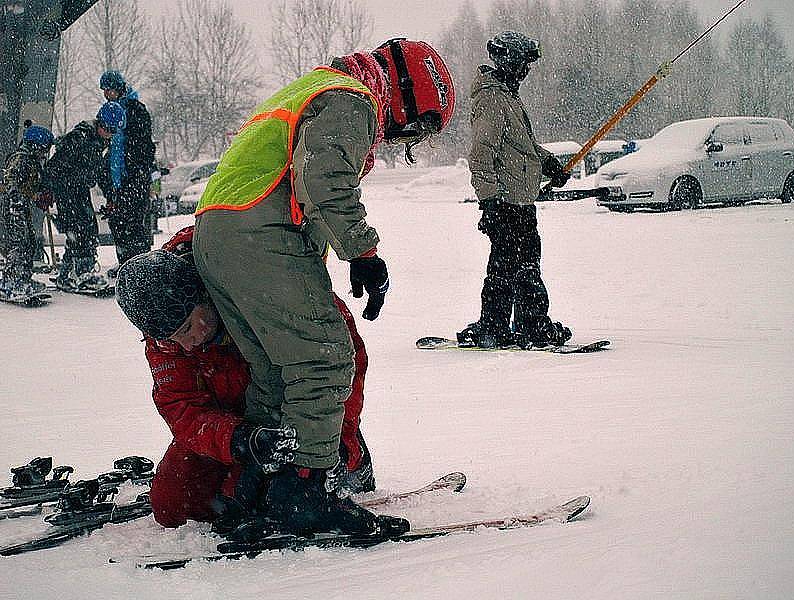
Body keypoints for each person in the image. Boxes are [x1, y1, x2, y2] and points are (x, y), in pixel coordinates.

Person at [192, 39, 454, 535]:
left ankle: (259, 484)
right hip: (258, 234)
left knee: (274, 367)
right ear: (407, 92)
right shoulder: (352, 98)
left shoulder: (312, 88)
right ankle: (304, 489)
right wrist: (363, 252)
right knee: (324, 356)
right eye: (413, 126)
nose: (400, 138)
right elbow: (325, 179)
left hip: (217, 234)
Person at [115, 226, 380, 530]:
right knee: (172, 504)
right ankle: (247, 489)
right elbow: (182, 408)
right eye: (173, 340)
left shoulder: (255, 281)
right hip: (236, 425)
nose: (186, 346)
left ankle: (348, 458)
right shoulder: (163, 333)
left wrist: (340, 434)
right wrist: (240, 440)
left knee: (292, 496)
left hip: (293, 410)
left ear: (205, 296)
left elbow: (338, 364)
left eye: (188, 329)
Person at [456, 31, 573, 349]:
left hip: (520, 199)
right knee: (511, 266)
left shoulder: (507, 94)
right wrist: (489, 201)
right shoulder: (492, 97)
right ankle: (506, 327)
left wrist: (549, 163)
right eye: (523, 63)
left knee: (523, 264)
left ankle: (521, 324)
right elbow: (482, 151)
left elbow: (520, 145)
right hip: (505, 201)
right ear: (508, 60)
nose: (526, 71)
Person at [42, 102, 123, 292]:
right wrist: (46, 189)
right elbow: (55, 165)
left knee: (85, 227)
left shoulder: (103, 143)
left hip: (80, 188)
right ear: (99, 123)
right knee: (80, 228)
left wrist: (111, 196)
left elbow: (103, 173)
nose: (110, 134)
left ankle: (67, 273)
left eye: (114, 131)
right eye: (108, 129)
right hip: (66, 188)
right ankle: (83, 272)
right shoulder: (79, 138)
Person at [98, 70, 156, 277]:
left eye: (109, 89)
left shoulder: (136, 110)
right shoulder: (112, 109)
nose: (106, 94)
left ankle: (139, 265)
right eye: (104, 90)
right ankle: (125, 262)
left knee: (132, 222)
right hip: (118, 178)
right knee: (118, 221)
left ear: (119, 88)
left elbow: (144, 147)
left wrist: (138, 172)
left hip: (133, 177)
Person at [0, 124, 54, 299]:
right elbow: (11, 183)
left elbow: (29, 185)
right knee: (18, 243)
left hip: (21, 207)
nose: (45, 153)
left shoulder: (32, 161)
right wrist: (19, 201)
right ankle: (11, 282)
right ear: (35, 145)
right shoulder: (20, 159)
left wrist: (38, 195)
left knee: (28, 240)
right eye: (44, 149)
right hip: (12, 208)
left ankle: (23, 278)